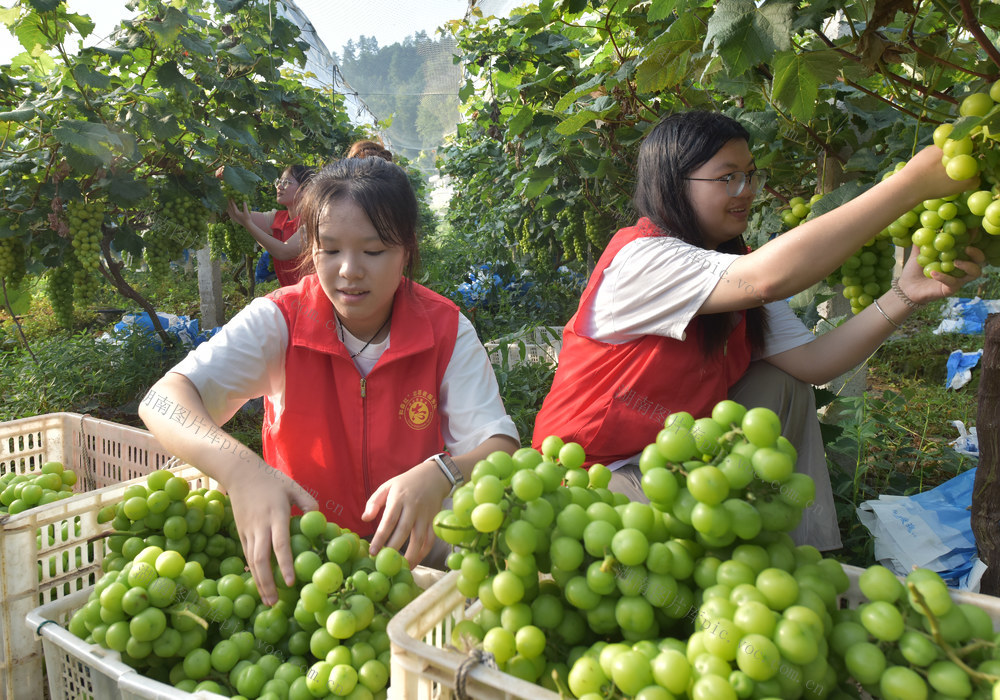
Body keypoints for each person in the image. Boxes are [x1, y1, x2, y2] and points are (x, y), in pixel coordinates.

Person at [532, 110, 983, 552]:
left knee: (781, 380)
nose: (745, 191)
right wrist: (909, 186)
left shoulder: (729, 268)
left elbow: (814, 364)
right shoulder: (643, 261)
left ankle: (797, 551)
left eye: (750, 175)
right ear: (672, 182)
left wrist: (905, 296)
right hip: (591, 476)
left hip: (675, 463)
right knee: (669, 560)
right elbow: (768, 277)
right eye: (727, 177)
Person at [141, 156, 520, 604]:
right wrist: (238, 469)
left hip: (410, 559)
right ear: (310, 247)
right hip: (303, 564)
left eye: (374, 251)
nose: (349, 271)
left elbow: (499, 444)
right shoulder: (280, 321)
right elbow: (162, 400)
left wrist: (442, 472)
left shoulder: (445, 330)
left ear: (407, 249)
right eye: (331, 249)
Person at [226, 164, 315, 287]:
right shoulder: (279, 218)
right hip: (293, 298)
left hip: (316, 299)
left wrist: (248, 224)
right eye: (279, 181)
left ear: (306, 189)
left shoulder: (314, 222)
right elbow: (239, 215)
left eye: (287, 182)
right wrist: (228, 178)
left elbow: (283, 252)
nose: (279, 186)